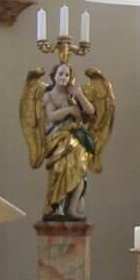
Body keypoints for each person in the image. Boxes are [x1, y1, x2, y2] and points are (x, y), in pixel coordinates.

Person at [39, 63, 96, 220]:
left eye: (66, 75)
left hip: (74, 138)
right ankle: (56, 207)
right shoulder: (48, 96)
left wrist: (79, 95)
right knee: (59, 171)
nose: (63, 77)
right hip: (57, 138)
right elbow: (51, 116)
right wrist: (70, 110)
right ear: (54, 76)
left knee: (79, 170)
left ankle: (71, 208)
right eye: (60, 74)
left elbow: (90, 111)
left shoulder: (73, 94)